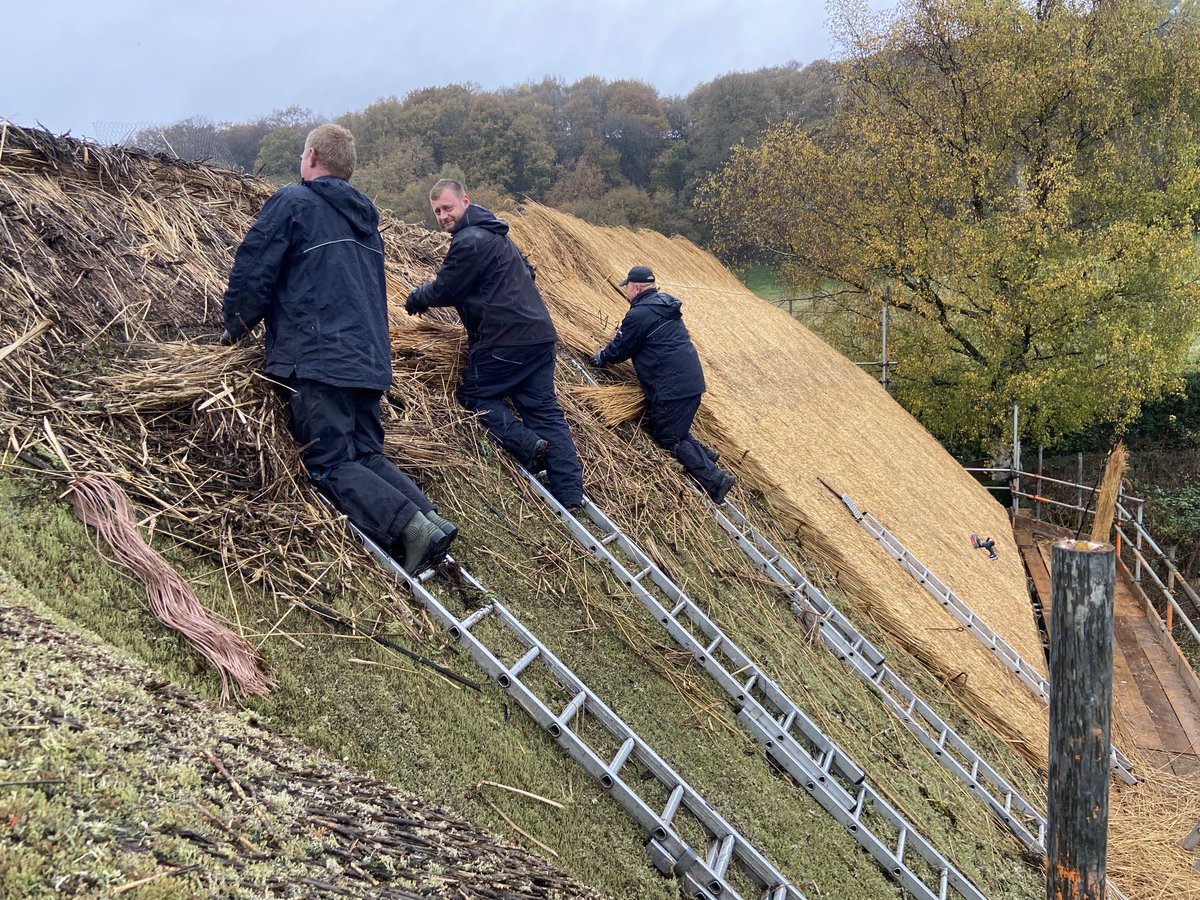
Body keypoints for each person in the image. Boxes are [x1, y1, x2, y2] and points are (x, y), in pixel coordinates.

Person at [220, 124, 455, 574]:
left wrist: (235, 325)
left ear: (310, 157)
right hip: (368, 361)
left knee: (328, 461)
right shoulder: (367, 224)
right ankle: (429, 520)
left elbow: (256, 265)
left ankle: (411, 529)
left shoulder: (294, 201)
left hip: (320, 359)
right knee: (366, 455)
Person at [405, 179, 584, 508]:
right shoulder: (498, 234)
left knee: (475, 395)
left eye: (448, 208)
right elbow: (528, 275)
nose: (443, 216)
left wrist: (417, 298)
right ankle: (570, 492)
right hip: (539, 336)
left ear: (465, 202)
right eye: (438, 211)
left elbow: (446, 289)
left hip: (505, 341)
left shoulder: (469, 241)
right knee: (544, 411)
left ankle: (527, 444)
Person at [590, 266, 735, 503]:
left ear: (636, 288)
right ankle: (707, 456)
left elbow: (621, 348)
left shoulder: (639, 314)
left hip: (672, 387)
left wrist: (602, 357)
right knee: (674, 427)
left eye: (627, 286)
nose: (626, 291)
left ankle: (716, 480)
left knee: (669, 437)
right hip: (689, 381)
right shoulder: (662, 305)